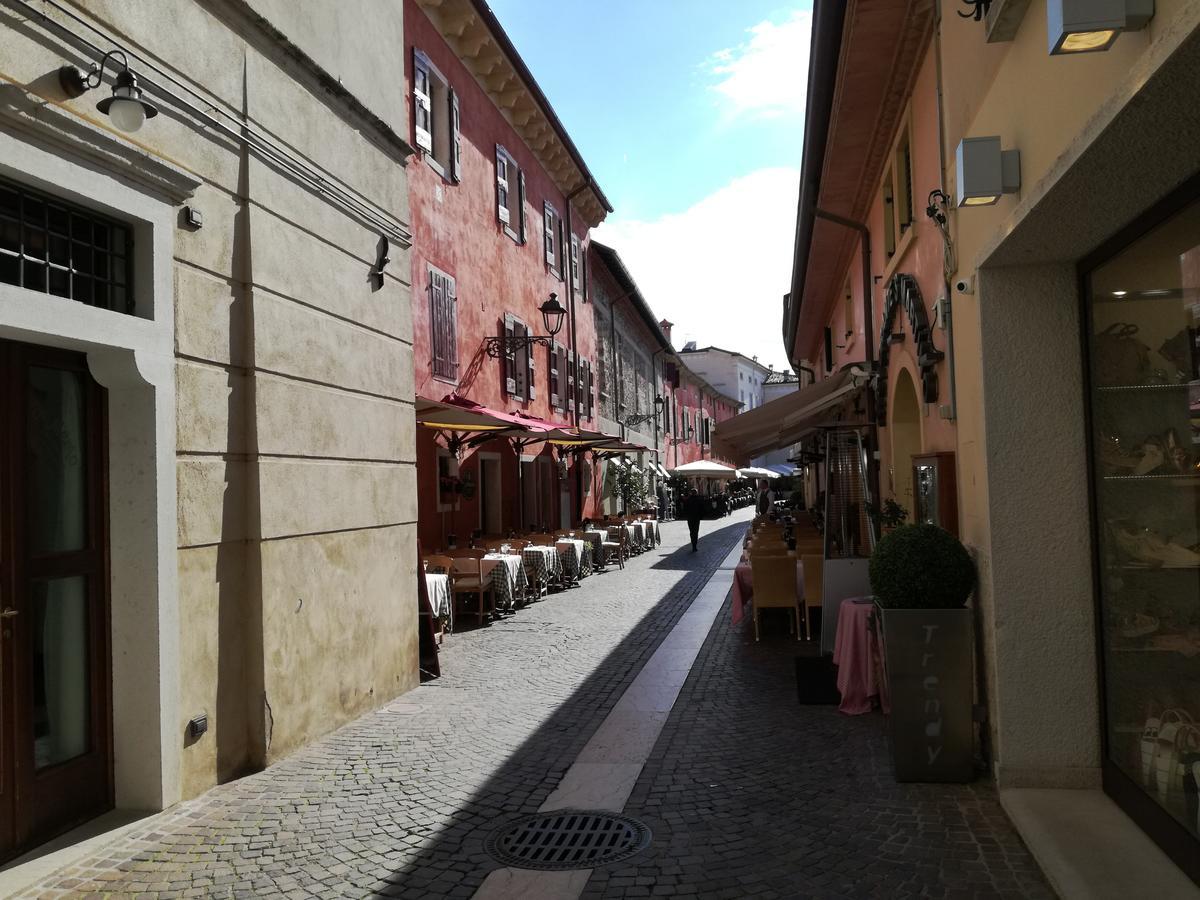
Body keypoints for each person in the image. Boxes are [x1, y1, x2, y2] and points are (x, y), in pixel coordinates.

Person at [683, 487, 705, 552]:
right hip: (696, 518)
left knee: (692, 532)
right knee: (695, 531)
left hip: (690, 518)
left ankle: (693, 544)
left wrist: (686, 516)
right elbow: (702, 509)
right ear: (696, 493)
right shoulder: (699, 499)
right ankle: (694, 546)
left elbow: (685, 509)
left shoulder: (688, 500)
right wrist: (701, 517)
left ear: (691, 493)